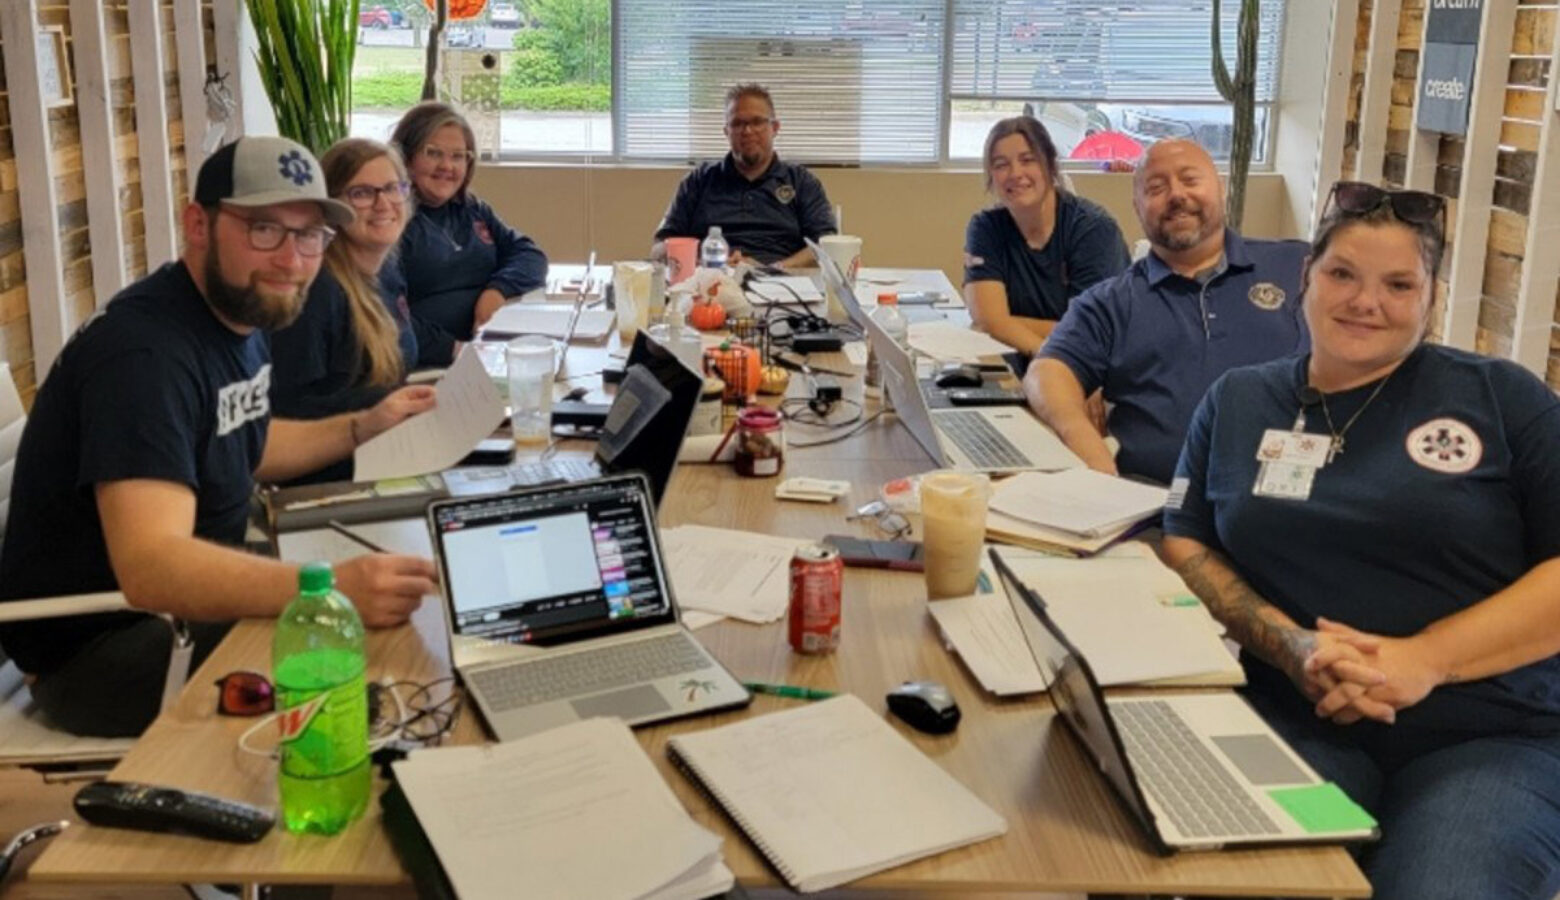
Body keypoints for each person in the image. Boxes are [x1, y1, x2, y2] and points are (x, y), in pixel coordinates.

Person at [1163, 181, 1560, 900]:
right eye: (1343, 273)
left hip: (1489, 737)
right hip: (1301, 719)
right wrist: (1290, 646)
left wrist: (1425, 661)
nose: (1364, 302)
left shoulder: (1504, 400)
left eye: (1398, 283)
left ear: (1431, 297)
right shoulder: (1237, 400)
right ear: (1305, 277)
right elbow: (1186, 541)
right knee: (1240, 883)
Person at [0, 136, 441, 738]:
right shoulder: (144, 357)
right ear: (197, 224)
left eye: (310, 234)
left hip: (179, 606)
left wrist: (362, 426)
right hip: (105, 650)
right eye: (264, 229)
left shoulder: (241, 311)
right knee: (381, 667)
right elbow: (154, 566)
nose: (292, 259)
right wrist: (330, 587)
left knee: (406, 604)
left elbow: (247, 446)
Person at [1023, 138, 1309, 484]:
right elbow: (1047, 372)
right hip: (1156, 506)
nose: (1176, 195)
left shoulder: (1299, 266)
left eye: (1190, 180)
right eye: (1156, 188)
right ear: (1138, 206)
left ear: (1220, 189)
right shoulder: (1112, 302)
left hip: (1291, 500)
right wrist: (1088, 446)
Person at [269, 137, 418, 484]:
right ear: (332, 209)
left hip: (387, 456)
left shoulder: (388, 271)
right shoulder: (317, 291)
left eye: (393, 188)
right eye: (362, 193)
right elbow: (288, 411)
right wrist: (387, 405)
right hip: (330, 480)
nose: (383, 204)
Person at [392, 101, 548, 367]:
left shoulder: (471, 209)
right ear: (406, 158)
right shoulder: (391, 221)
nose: (447, 166)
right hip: (430, 365)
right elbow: (387, 317)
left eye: (458, 156)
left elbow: (530, 255)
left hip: (484, 350)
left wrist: (496, 292)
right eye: (433, 153)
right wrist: (457, 350)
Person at [963, 116, 1129, 358]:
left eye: (1027, 160)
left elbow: (1091, 332)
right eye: (1001, 165)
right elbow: (988, 321)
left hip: (1092, 370)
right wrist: (1046, 357)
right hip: (1030, 363)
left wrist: (1005, 323)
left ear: (1050, 165)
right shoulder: (985, 228)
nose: (1015, 173)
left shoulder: (1093, 229)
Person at [651, 84, 836, 269]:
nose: (747, 131)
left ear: (775, 128)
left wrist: (772, 269)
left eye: (757, 122)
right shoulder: (697, 181)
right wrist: (706, 264)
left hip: (781, 284)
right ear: (726, 131)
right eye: (737, 123)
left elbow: (826, 245)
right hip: (709, 283)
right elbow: (660, 248)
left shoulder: (802, 182)